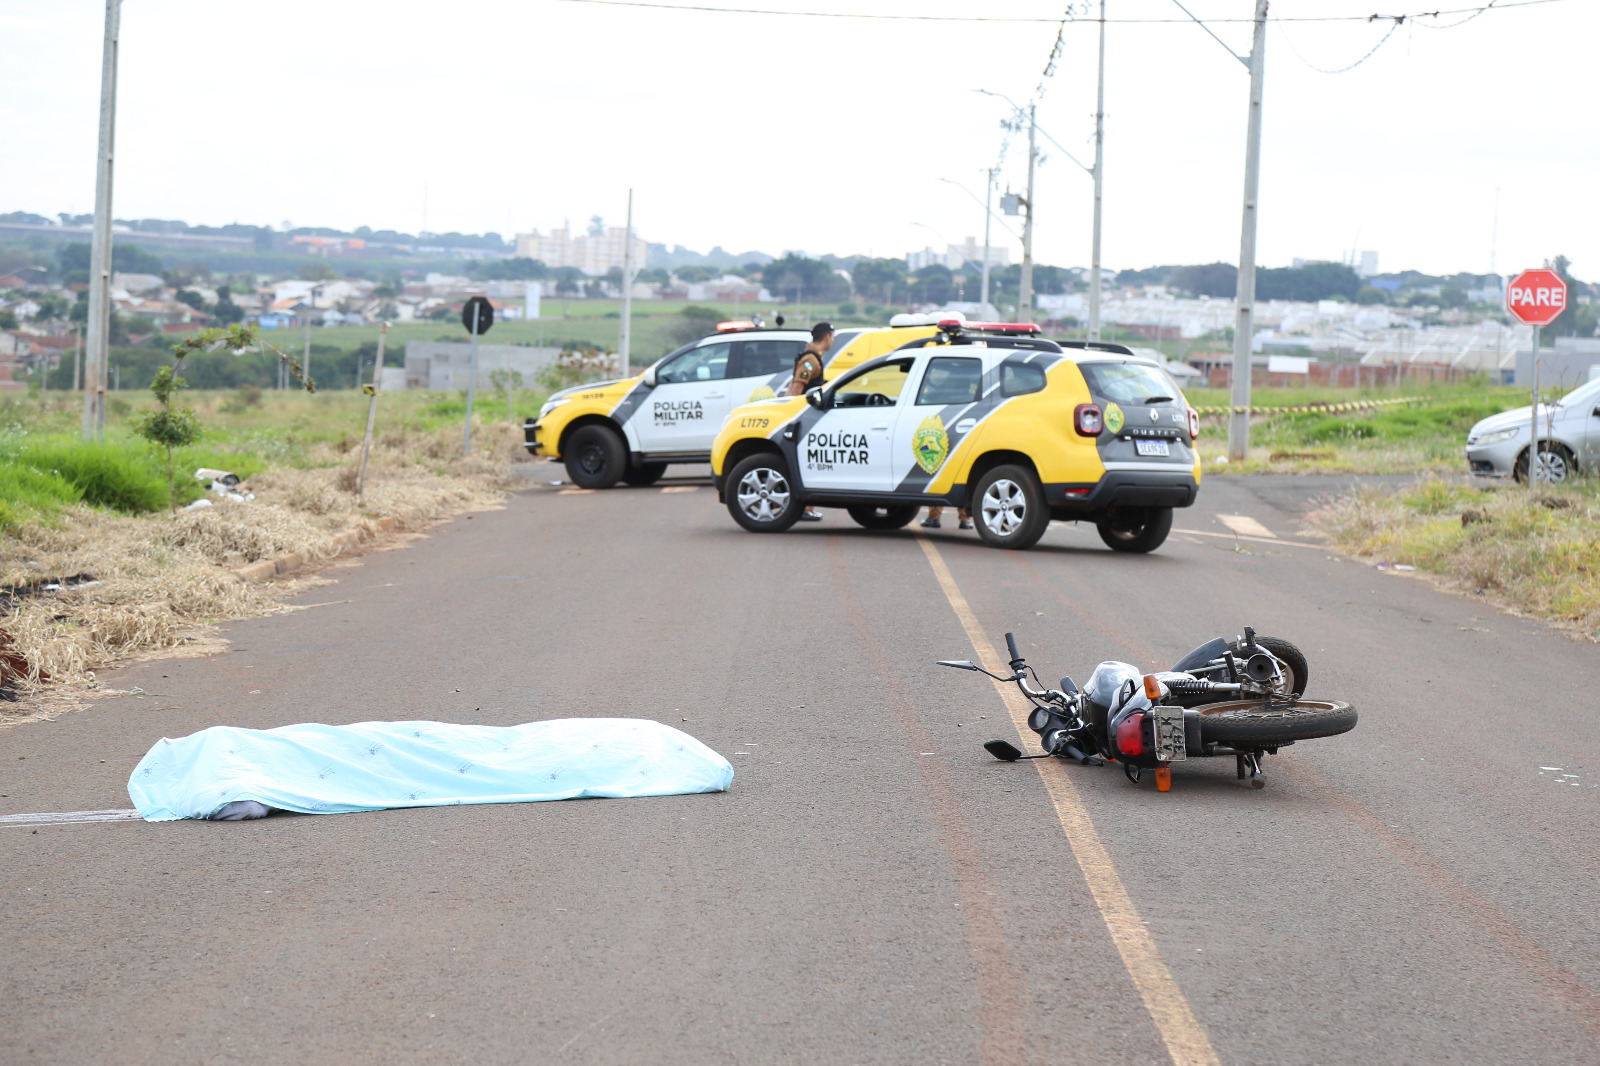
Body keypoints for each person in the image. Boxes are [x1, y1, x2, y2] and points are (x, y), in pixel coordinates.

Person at [789, 322, 834, 522]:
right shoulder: (810, 360)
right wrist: (793, 414)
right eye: (832, 336)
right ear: (827, 337)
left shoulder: (813, 358)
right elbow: (798, 387)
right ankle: (805, 509)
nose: (833, 340)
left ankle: (806, 508)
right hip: (804, 417)